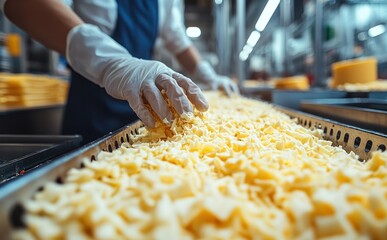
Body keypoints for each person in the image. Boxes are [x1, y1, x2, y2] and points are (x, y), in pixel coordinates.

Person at [2, 0, 238, 143]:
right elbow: (22, 5)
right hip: (91, 106)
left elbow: (176, 37)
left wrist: (208, 76)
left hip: (144, 107)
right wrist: (113, 64)